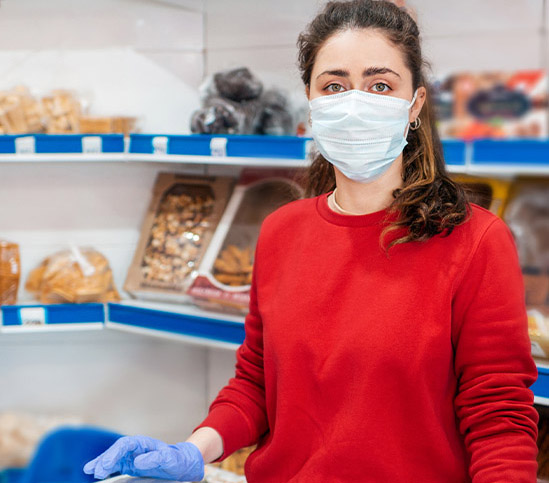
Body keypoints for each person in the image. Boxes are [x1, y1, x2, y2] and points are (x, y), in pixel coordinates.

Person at [83, 1, 539, 481]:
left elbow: (498, 416)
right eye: (335, 86)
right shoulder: (282, 231)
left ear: (415, 105)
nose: (356, 103)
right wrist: (195, 449)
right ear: (312, 102)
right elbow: (257, 385)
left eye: (380, 85)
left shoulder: (475, 241)